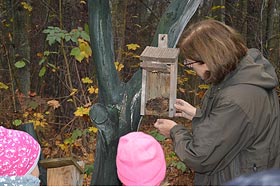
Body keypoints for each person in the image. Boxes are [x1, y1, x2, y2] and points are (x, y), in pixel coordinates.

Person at [154, 19, 280, 185]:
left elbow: (200, 156)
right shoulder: (243, 74)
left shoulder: (237, 98)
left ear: (208, 59)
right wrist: (196, 114)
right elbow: (235, 127)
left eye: (191, 63)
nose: (191, 68)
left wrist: (174, 131)